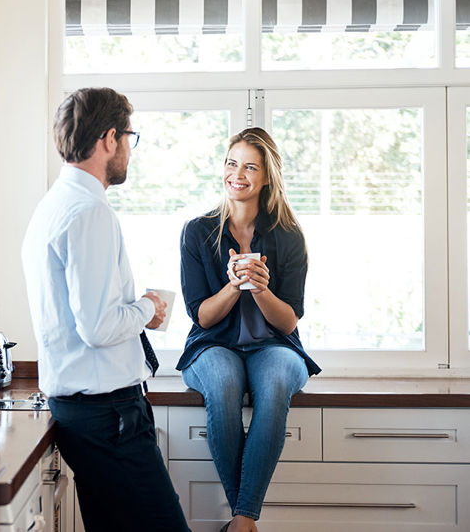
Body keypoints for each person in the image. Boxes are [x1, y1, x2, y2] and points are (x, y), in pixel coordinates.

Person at [22, 87, 190, 532]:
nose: (130, 153)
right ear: (109, 138)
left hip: (83, 411)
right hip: (108, 414)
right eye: (129, 139)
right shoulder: (89, 212)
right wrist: (146, 308)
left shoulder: (53, 206)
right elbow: (98, 327)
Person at [177, 128, 321, 532]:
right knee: (223, 384)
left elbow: (289, 320)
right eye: (231, 163)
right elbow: (202, 316)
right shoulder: (197, 232)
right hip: (213, 345)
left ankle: (241, 520)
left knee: (275, 385)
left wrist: (259, 288)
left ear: (265, 177)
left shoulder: (288, 236)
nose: (237, 174)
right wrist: (233, 285)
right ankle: (247, 520)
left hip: (274, 345)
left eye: (250, 166)